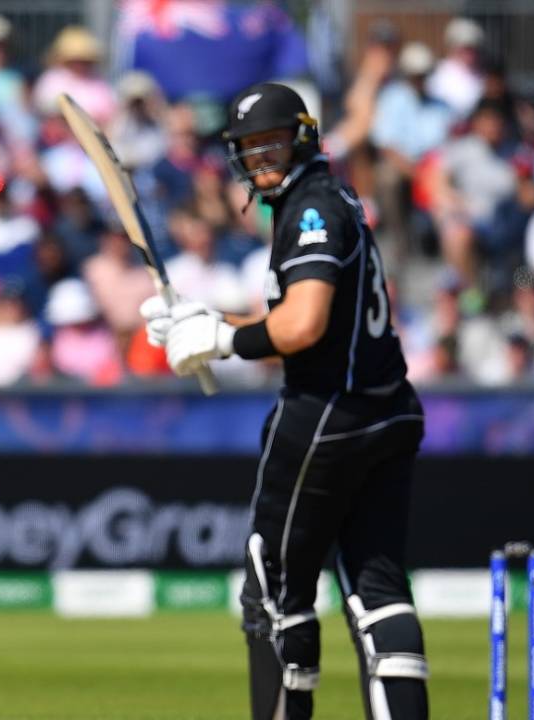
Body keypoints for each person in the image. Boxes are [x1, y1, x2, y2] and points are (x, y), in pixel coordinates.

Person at [142, 83, 428, 720]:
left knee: (274, 596)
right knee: (378, 591)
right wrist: (204, 320)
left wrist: (223, 340)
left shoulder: (309, 208)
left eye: (270, 141)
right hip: (389, 408)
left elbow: (302, 327)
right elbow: (290, 312)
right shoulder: (332, 197)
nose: (260, 157)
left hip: (326, 413)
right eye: (248, 147)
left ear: (302, 135)